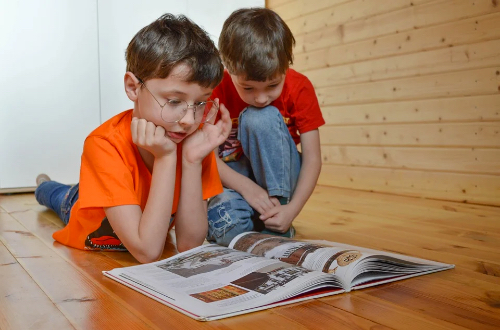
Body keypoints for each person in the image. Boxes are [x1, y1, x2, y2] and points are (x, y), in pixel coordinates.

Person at [35, 13, 231, 263]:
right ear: (132, 87)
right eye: (174, 101)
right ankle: (43, 183)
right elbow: (147, 252)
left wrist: (191, 161)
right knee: (56, 194)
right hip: (81, 205)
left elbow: (189, 244)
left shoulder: (192, 142)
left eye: (201, 102)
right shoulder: (103, 144)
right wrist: (166, 157)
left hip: (120, 194)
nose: (189, 120)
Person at [206, 8, 325, 246]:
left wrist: (291, 210)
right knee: (226, 229)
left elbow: (313, 159)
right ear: (227, 68)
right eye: (248, 88)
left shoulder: (300, 87)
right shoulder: (214, 89)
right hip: (234, 181)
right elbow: (204, 157)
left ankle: (276, 217)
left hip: (280, 183)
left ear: (285, 66)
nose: (261, 98)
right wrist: (246, 188)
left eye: (273, 85)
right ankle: (260, 224)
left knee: (259, 117)